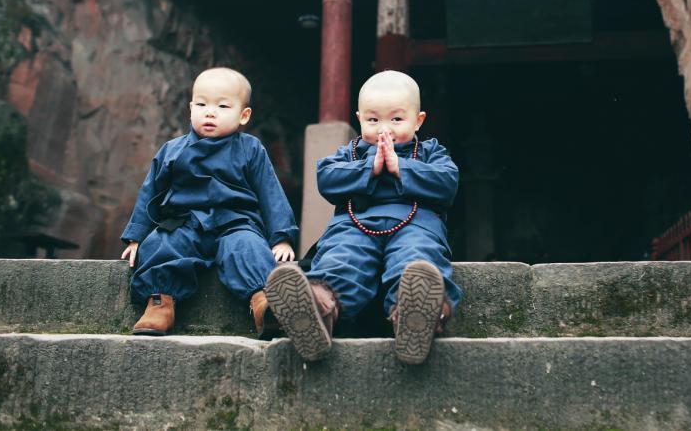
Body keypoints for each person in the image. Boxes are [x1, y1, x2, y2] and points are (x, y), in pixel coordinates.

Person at [265, 70, 460, 364]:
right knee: (341, 260)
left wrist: (399, 167)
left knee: (417, 261)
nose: (384, 129)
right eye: (373, 120)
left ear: (418, 120)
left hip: (415, 225)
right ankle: (317, 309)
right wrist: (370, 168)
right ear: (359, 119)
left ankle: (418, 316)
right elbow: (326, 177)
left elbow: (447, 181)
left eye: (396, 119)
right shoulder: (352, 153)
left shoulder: (430, 152)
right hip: (354, 227)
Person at [119, 67, 297, 339]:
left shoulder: (250, 148)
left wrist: (281, 237)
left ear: (243, 115)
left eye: (222, 106)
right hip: (183, 221)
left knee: (248, 247)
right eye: (201, 104)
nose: (210, 112)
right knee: (162, 244)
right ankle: (160, 301)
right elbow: (150, 192)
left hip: (236, 221)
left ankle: (265, 303)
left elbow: (270, 192)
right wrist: (136, 236)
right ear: (191, 108)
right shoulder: (173, 150)